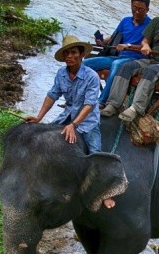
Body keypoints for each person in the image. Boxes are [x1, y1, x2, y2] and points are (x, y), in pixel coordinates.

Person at [25, 35, 115, 208]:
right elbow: (52, 95)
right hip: (67, 115)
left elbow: (89, 104)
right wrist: (39, 118)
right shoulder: (61, 74)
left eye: (73, 52)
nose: (70, 56)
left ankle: (104, 192)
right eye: (66, 53)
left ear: (81, 55)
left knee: (95, 152)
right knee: (44, 137)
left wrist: (74, 125)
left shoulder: (91, 77)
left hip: (87, 120)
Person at [83, 0, 152, 108]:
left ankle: (101, 101)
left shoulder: (151, 25)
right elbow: (114, 37)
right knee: (85, 64)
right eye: (134, 8)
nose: (137, 12)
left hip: (135, 60)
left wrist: (128, 46)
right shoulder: (125, 21)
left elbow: (148, 46)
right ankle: (79, 97)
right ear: (131, 6)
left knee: (116, 65)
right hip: (119, 56)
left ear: (147, 10)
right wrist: (102, 42)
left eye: (141, 9)